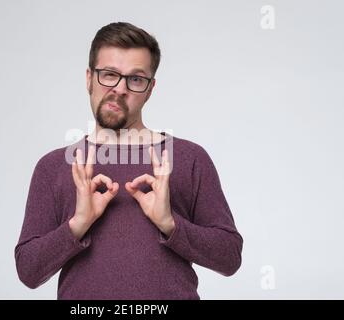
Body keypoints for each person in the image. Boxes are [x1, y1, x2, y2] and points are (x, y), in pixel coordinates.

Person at [14, 22, 243, 299]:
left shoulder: (189, 158)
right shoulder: (54, 166)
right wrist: (77, 225)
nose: (120, 89)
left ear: (150, 88)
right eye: (109, 74)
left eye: (135, 79)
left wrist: (171, 224)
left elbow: (229, 257)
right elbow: (28, 270)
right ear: (89, 78)